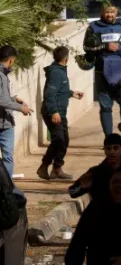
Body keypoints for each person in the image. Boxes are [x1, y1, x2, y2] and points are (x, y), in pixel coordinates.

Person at [64, 168, 121, 265]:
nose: (120, 186)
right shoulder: (95, 209)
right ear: (109, 185)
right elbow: (78, 244)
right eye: (115, 182)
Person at [83, 3, 121, 136]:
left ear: (116, 12)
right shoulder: (93, 27)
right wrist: (105, 46)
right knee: (106, 107)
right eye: (107, 12)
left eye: (112, 12)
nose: (110, 15)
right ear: (102, 12)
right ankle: (109, 138)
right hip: (101, 72)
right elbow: (87, 47)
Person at [37, 46, 84, 181]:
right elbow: (50, 94)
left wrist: (72, 93)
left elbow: (59, 90)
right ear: (66, 59)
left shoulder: (60, 71)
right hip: (53, 112)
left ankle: (57, 169)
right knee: (58, 139)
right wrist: (54, 112)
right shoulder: (57, 73)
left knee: (64, 140)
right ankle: (44, 165)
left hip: (60, 112)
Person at [0, 45, 33, 176]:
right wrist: (21, 108)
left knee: (8, 157)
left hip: (6, 123)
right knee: (7, 157)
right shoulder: (1, 75)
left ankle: (7, 186)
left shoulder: (4, 74)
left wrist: (15, 99)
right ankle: (7, 186)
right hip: (4, 123)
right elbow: (1, 100)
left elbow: (4, 97)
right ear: (11, 60)